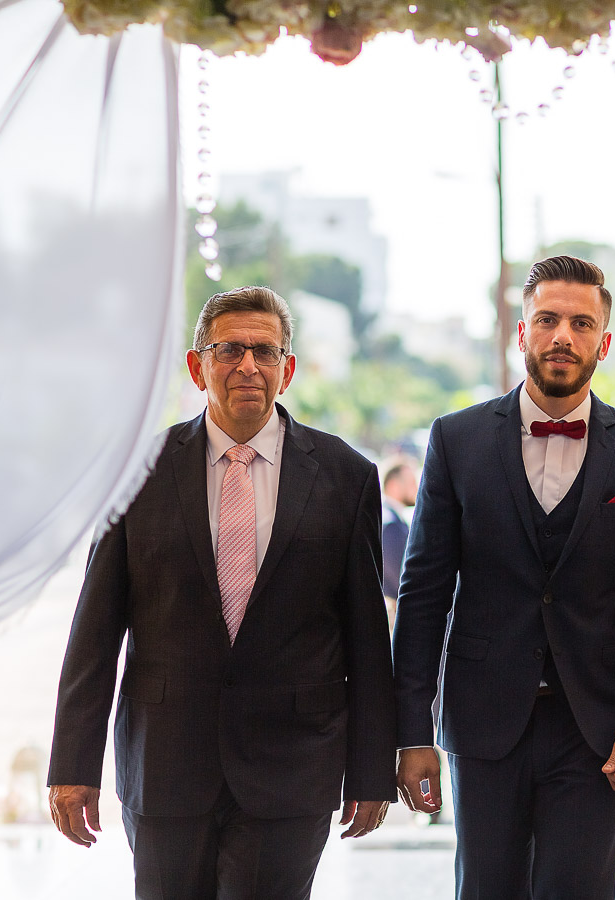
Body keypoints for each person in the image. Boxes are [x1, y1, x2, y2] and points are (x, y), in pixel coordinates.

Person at [47, 286, 398, 899]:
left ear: (287, 370)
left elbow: (367, 636)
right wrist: (73, 766)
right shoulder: (136, 472)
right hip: (166, 763)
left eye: (265, 353)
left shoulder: (346, 476)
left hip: (293, 767)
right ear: (197, 365)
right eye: (229, 350)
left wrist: (372, 771)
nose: (247, 367)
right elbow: (94, 631)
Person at [391, 256, 615, 899]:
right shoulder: (457, 440)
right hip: (483, 724)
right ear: (522, 332)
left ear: (604, 342)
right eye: (549, 319)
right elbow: (423, 596)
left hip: (599, 728)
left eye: (581, 323)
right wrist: (411, 733)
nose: (564, 335)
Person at [379, 455, 419, 605]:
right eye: (411, 483)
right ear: (394, 485)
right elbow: (401, 577)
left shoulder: (390, 518)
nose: (417, 488)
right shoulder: (390, 524)